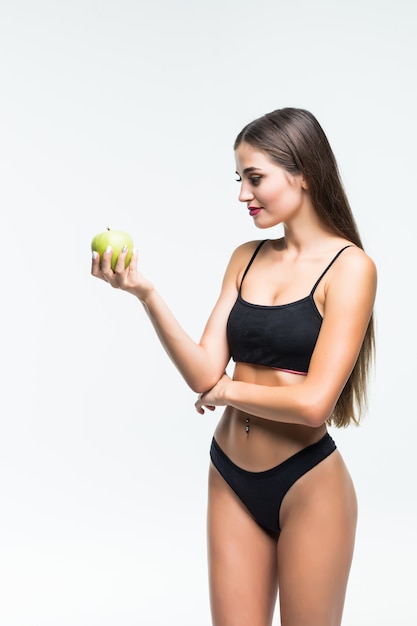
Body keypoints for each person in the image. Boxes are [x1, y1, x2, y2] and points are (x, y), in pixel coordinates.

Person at [91, 107, 377, 626]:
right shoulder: (244, 256)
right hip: (230, 475)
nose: (243, 194)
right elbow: (205, 373)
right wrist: (145, 294)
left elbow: (314, 404)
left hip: (308, 485)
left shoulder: (351, 268)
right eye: (239, 179)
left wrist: (227, 393)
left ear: (304, 173)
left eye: (255, 178)